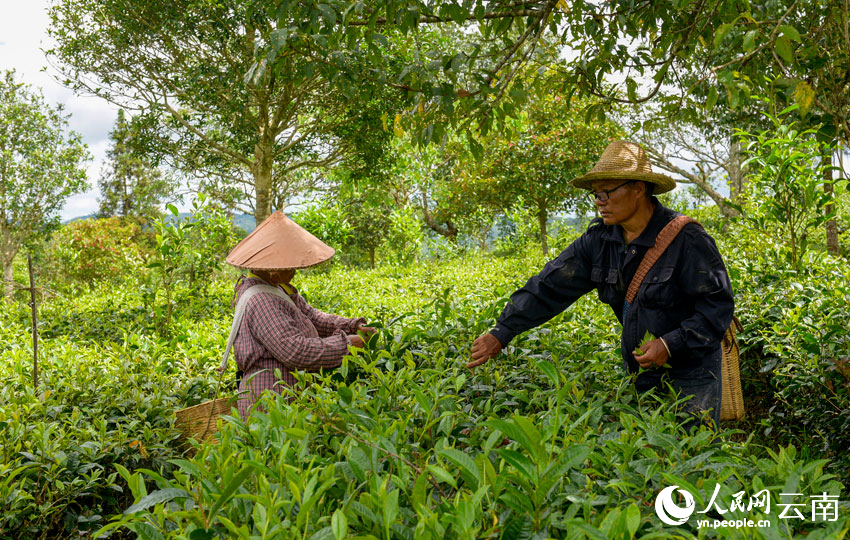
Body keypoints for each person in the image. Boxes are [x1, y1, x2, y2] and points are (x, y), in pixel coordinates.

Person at [468, 140, 734, 427]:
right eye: (596, 194)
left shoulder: (688, 240)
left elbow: (716, 308)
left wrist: (669, 345)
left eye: (607, 192)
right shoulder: (599, 241)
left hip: (692, 374)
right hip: (640, 372)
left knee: (692, 455)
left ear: (638, 189)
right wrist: (502, 331)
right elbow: (550, 286)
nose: (599, 201)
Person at [224, 211, 375, 420]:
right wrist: (346, 345)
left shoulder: (278, 288)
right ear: (273, 269)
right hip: (271, 406)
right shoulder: (260, 302)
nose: (295, 270)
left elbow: (312, 317)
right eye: (290, 265)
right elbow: (296, 351)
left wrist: (351, 326)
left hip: (292, 400)